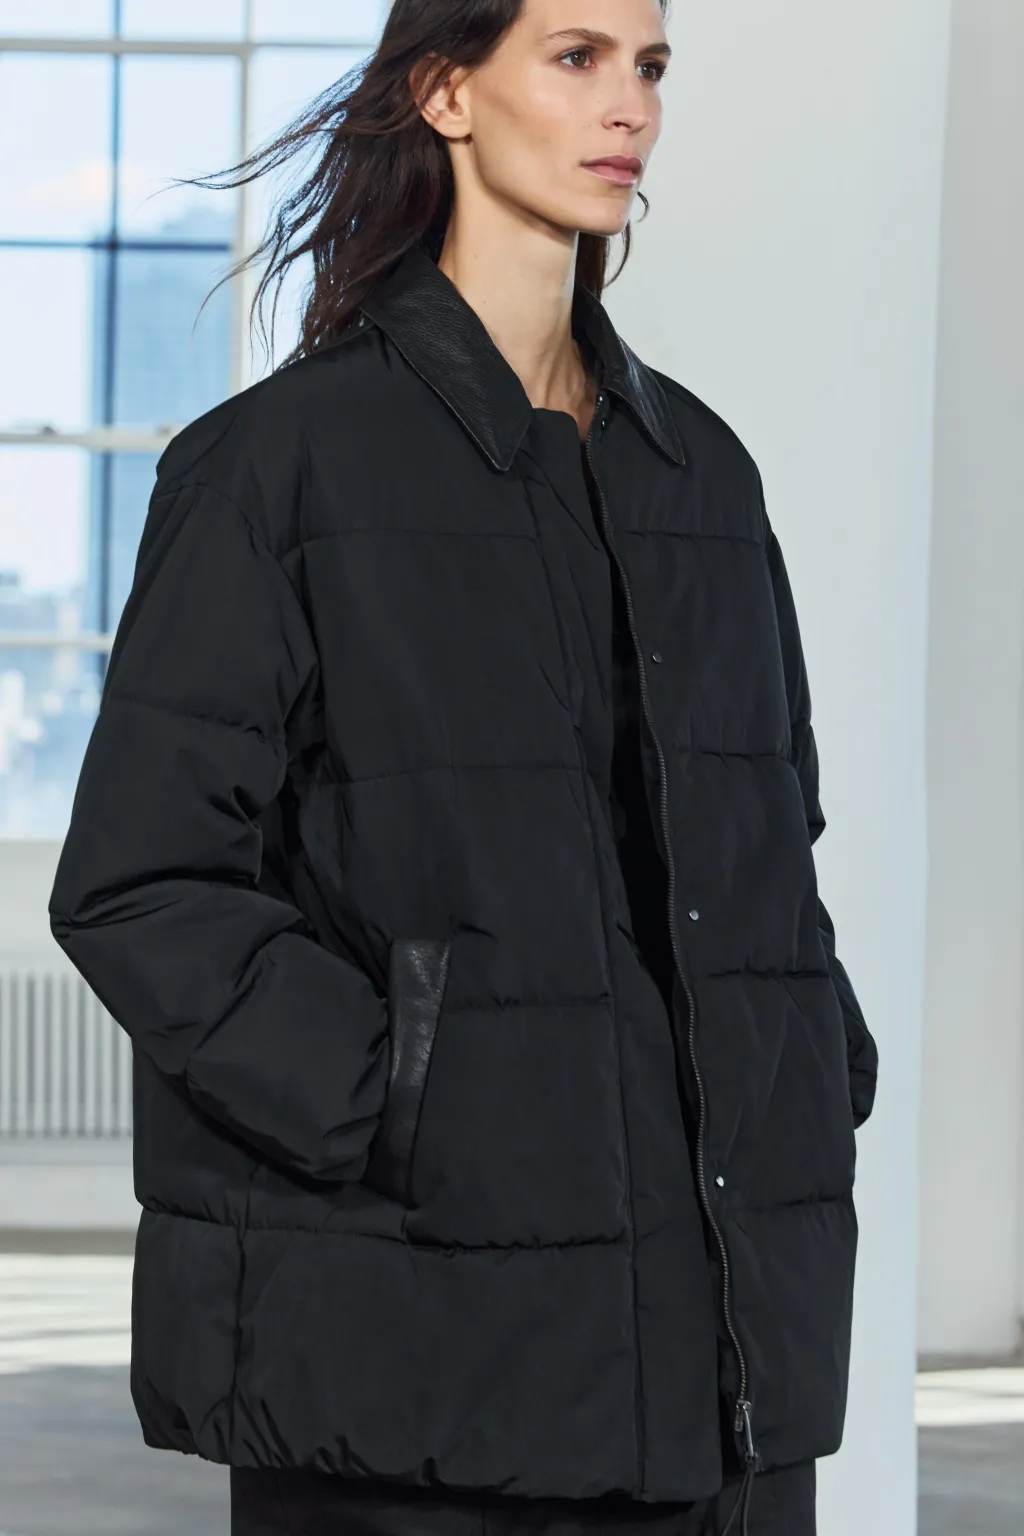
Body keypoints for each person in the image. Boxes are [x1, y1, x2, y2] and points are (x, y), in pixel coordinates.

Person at [47, 2, 879, 1533]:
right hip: (415, 1351)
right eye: (575, 56)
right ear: (445, 93)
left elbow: (773, 835)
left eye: (649, 66)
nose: (629, 106)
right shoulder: (281, 467)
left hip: (725, 1352)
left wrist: (812, 1065)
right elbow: (142, 880)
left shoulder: (700, 473)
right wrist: (399, 1098)